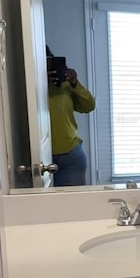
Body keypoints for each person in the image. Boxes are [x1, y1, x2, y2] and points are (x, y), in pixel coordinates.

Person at [46, 45, 96, 186]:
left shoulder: (64, 84)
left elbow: (89, 106)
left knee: (74, 206)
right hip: (39, 161)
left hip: (71, 158)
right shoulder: (27, 86)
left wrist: (75, 83)